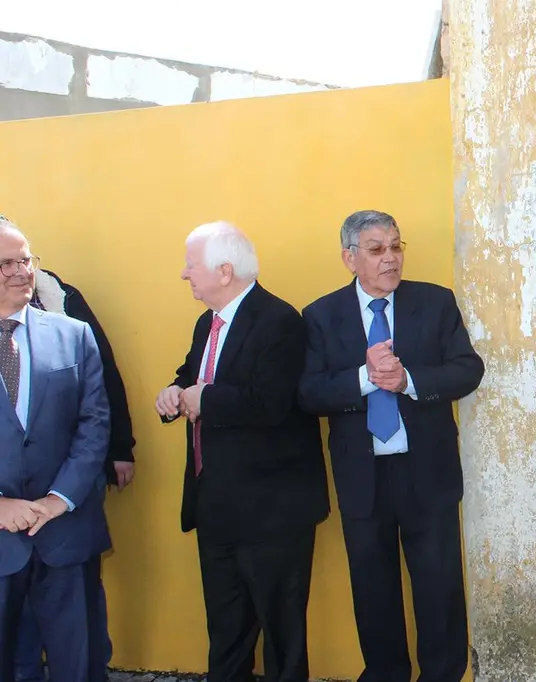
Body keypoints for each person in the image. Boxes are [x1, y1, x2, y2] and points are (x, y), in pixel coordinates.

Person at [299, 209, 484, 682]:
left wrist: (409, 380)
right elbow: (308, 392)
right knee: (373, 589)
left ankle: (442, 676)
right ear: (349, 258)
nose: (391, 258)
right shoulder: (321, 315)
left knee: (438, 587)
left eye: (397, 246)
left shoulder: (435, 302)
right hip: (364, 476)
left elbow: (468, 369)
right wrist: (364, 379)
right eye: (377, 249)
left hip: (427, 472)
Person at [155, 222, 329, 682]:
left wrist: (202, 398)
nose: (183, 274)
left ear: (224, 270)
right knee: (226, 631)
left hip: (272, 512)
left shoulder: (279, 321)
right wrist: (174, 393)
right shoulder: (206, 323)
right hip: (217, 505)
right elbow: (191, 373)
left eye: (191, 266)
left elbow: (271, 401)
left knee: (281, 635)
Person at [0, 214, 136, 682]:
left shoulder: (72, 335)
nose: (21, 272)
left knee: (78, 664)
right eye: (5, 264)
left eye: (25, 260)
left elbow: (94, 423)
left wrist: (58, 500)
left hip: (66, 534)